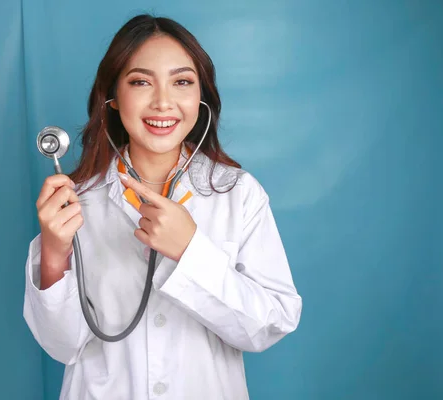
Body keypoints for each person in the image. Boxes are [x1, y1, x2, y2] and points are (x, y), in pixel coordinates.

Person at [23, 14, 302, 400]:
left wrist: (191, 251)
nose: (163, 102)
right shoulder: (76, 202)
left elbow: (270, 324)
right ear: (114, 98)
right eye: (140, 82)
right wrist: (54, 254)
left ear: (200, 97)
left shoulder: (238, 194)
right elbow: (62, 345)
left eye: (182, 82)